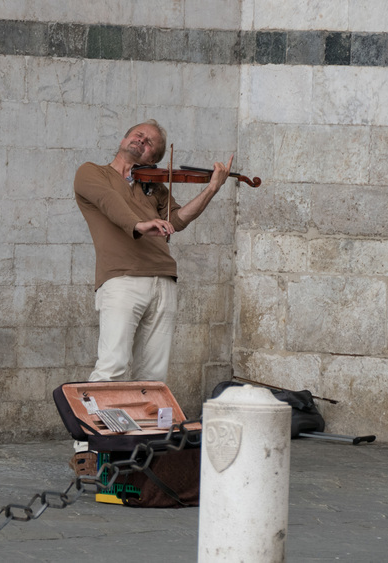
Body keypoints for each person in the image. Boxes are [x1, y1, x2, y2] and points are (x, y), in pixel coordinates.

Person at [70, 120, 232, 469]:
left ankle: (138, 455)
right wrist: (139, 224)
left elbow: (179, 219)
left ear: (155, 157)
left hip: (164, 280)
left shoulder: (153, 187)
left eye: (150, 143)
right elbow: (109, 202)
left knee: (153, 378)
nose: (142, 141)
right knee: (113, 366)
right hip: (121, 280)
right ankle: (86, 447)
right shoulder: (91, 173)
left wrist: (212, 189)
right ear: (125, 137)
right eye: (138, 135)